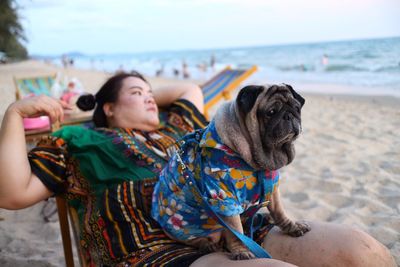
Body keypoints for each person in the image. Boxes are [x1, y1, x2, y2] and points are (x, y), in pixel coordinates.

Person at [0, 71, 396, 267]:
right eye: (138, 95)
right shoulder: (80, 142)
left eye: (153, 94)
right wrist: (15, 115)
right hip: (153, 246)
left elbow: (189, 90)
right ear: (108, 108)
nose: (153, 100)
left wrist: (140, 95)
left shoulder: (182, 123)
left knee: (362, 251)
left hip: (237, 223)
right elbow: (12, 193)